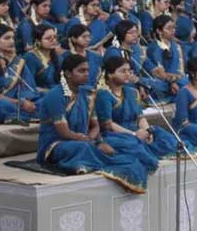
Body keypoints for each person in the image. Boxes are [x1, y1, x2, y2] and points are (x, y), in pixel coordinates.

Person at [36, 54, 148, 193]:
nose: (87, 74)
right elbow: (64, 132)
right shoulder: (55, 95)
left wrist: (95, 141)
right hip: (56, 144)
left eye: (88, 70)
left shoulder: (87, 94)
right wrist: (91, 143)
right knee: (84, 148)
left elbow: (95, 126)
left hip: (83, 140)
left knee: (114, 147)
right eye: (81, 71)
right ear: (68, 73)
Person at [95, 56, 191, 171]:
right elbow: (108, 125)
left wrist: (148, 131)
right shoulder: (104, 94)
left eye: (129, 71)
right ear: (110, 74)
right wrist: (134, 134)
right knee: (134, 145)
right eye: (122, 71)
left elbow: (140, 117)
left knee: (162, 135)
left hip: (138, 131)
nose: (127, 74)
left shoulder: (132, 92)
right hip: (117, 135)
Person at [0, 24, 43, 123]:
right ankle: (26, 115)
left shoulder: (19, 62)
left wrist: (26, 101)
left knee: (45, 98)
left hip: (20, 101)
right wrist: (20, 103)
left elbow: (29, 89)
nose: (12, 41)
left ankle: (24, 114)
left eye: (13, 38)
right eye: (7, 38)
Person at [23, 24, 61, 90]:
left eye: (55, 37)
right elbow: (28, 85)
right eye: (48, 38)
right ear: (38, 41)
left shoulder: (56, 55)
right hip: (41, 93)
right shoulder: (30, 58)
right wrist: (48, 92)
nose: (53, 40)